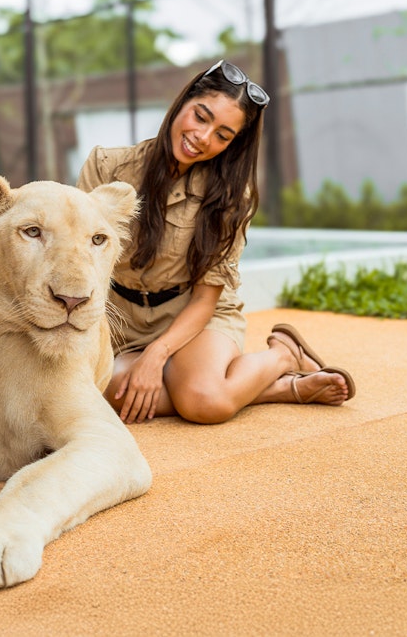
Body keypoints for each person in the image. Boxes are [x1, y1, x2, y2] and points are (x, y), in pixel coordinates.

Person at [76, 59, 356, 425]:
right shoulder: (106, 166)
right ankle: (269, 388)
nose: (203, 138)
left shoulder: (231, 196)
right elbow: (80, 257)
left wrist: (156, 355)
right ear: (182, 104)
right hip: (121, 318)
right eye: (201, 116)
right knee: (102, 392)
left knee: (204, 403)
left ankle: (282, 357)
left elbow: (206, 299)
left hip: (193, 314)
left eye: (223, 135)